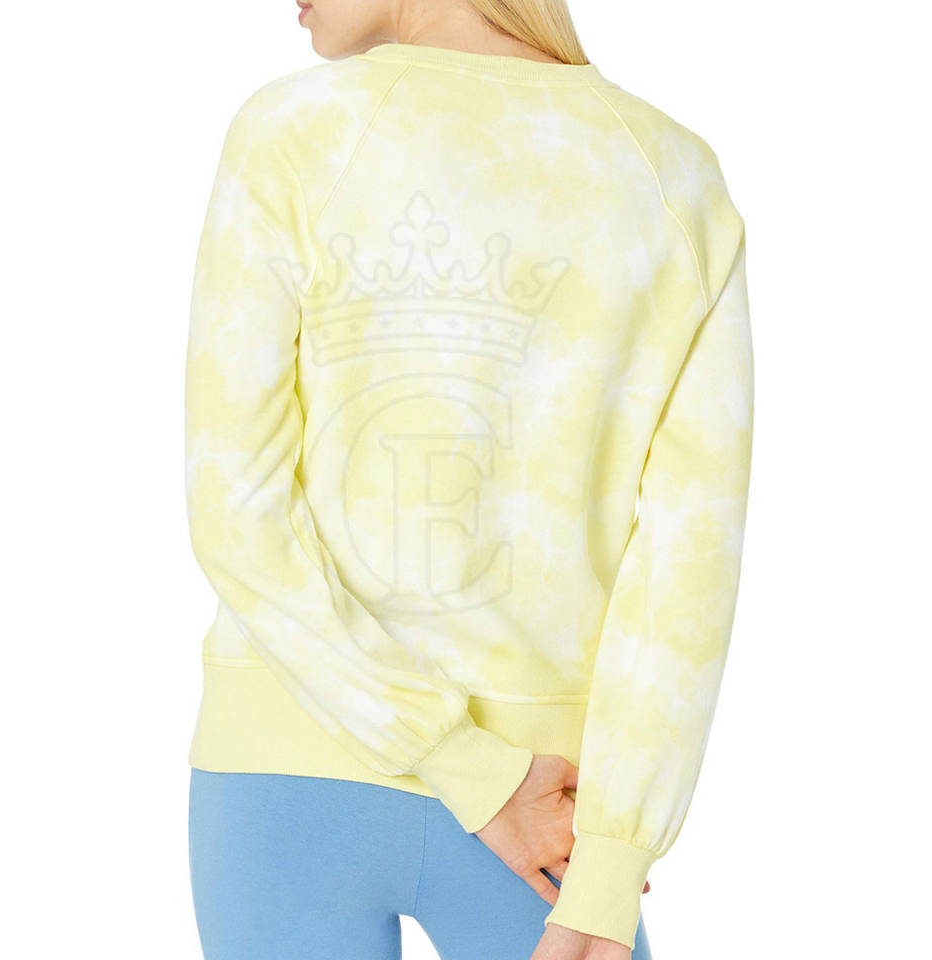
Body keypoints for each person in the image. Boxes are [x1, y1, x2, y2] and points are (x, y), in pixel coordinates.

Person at [184, 1, 754, 958]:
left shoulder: (291, 132)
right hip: (550, 816)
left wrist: (475, 773)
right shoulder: (670, 176)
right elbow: (685, 567)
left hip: (292, 777)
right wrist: (609, 865)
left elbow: (235, 508)